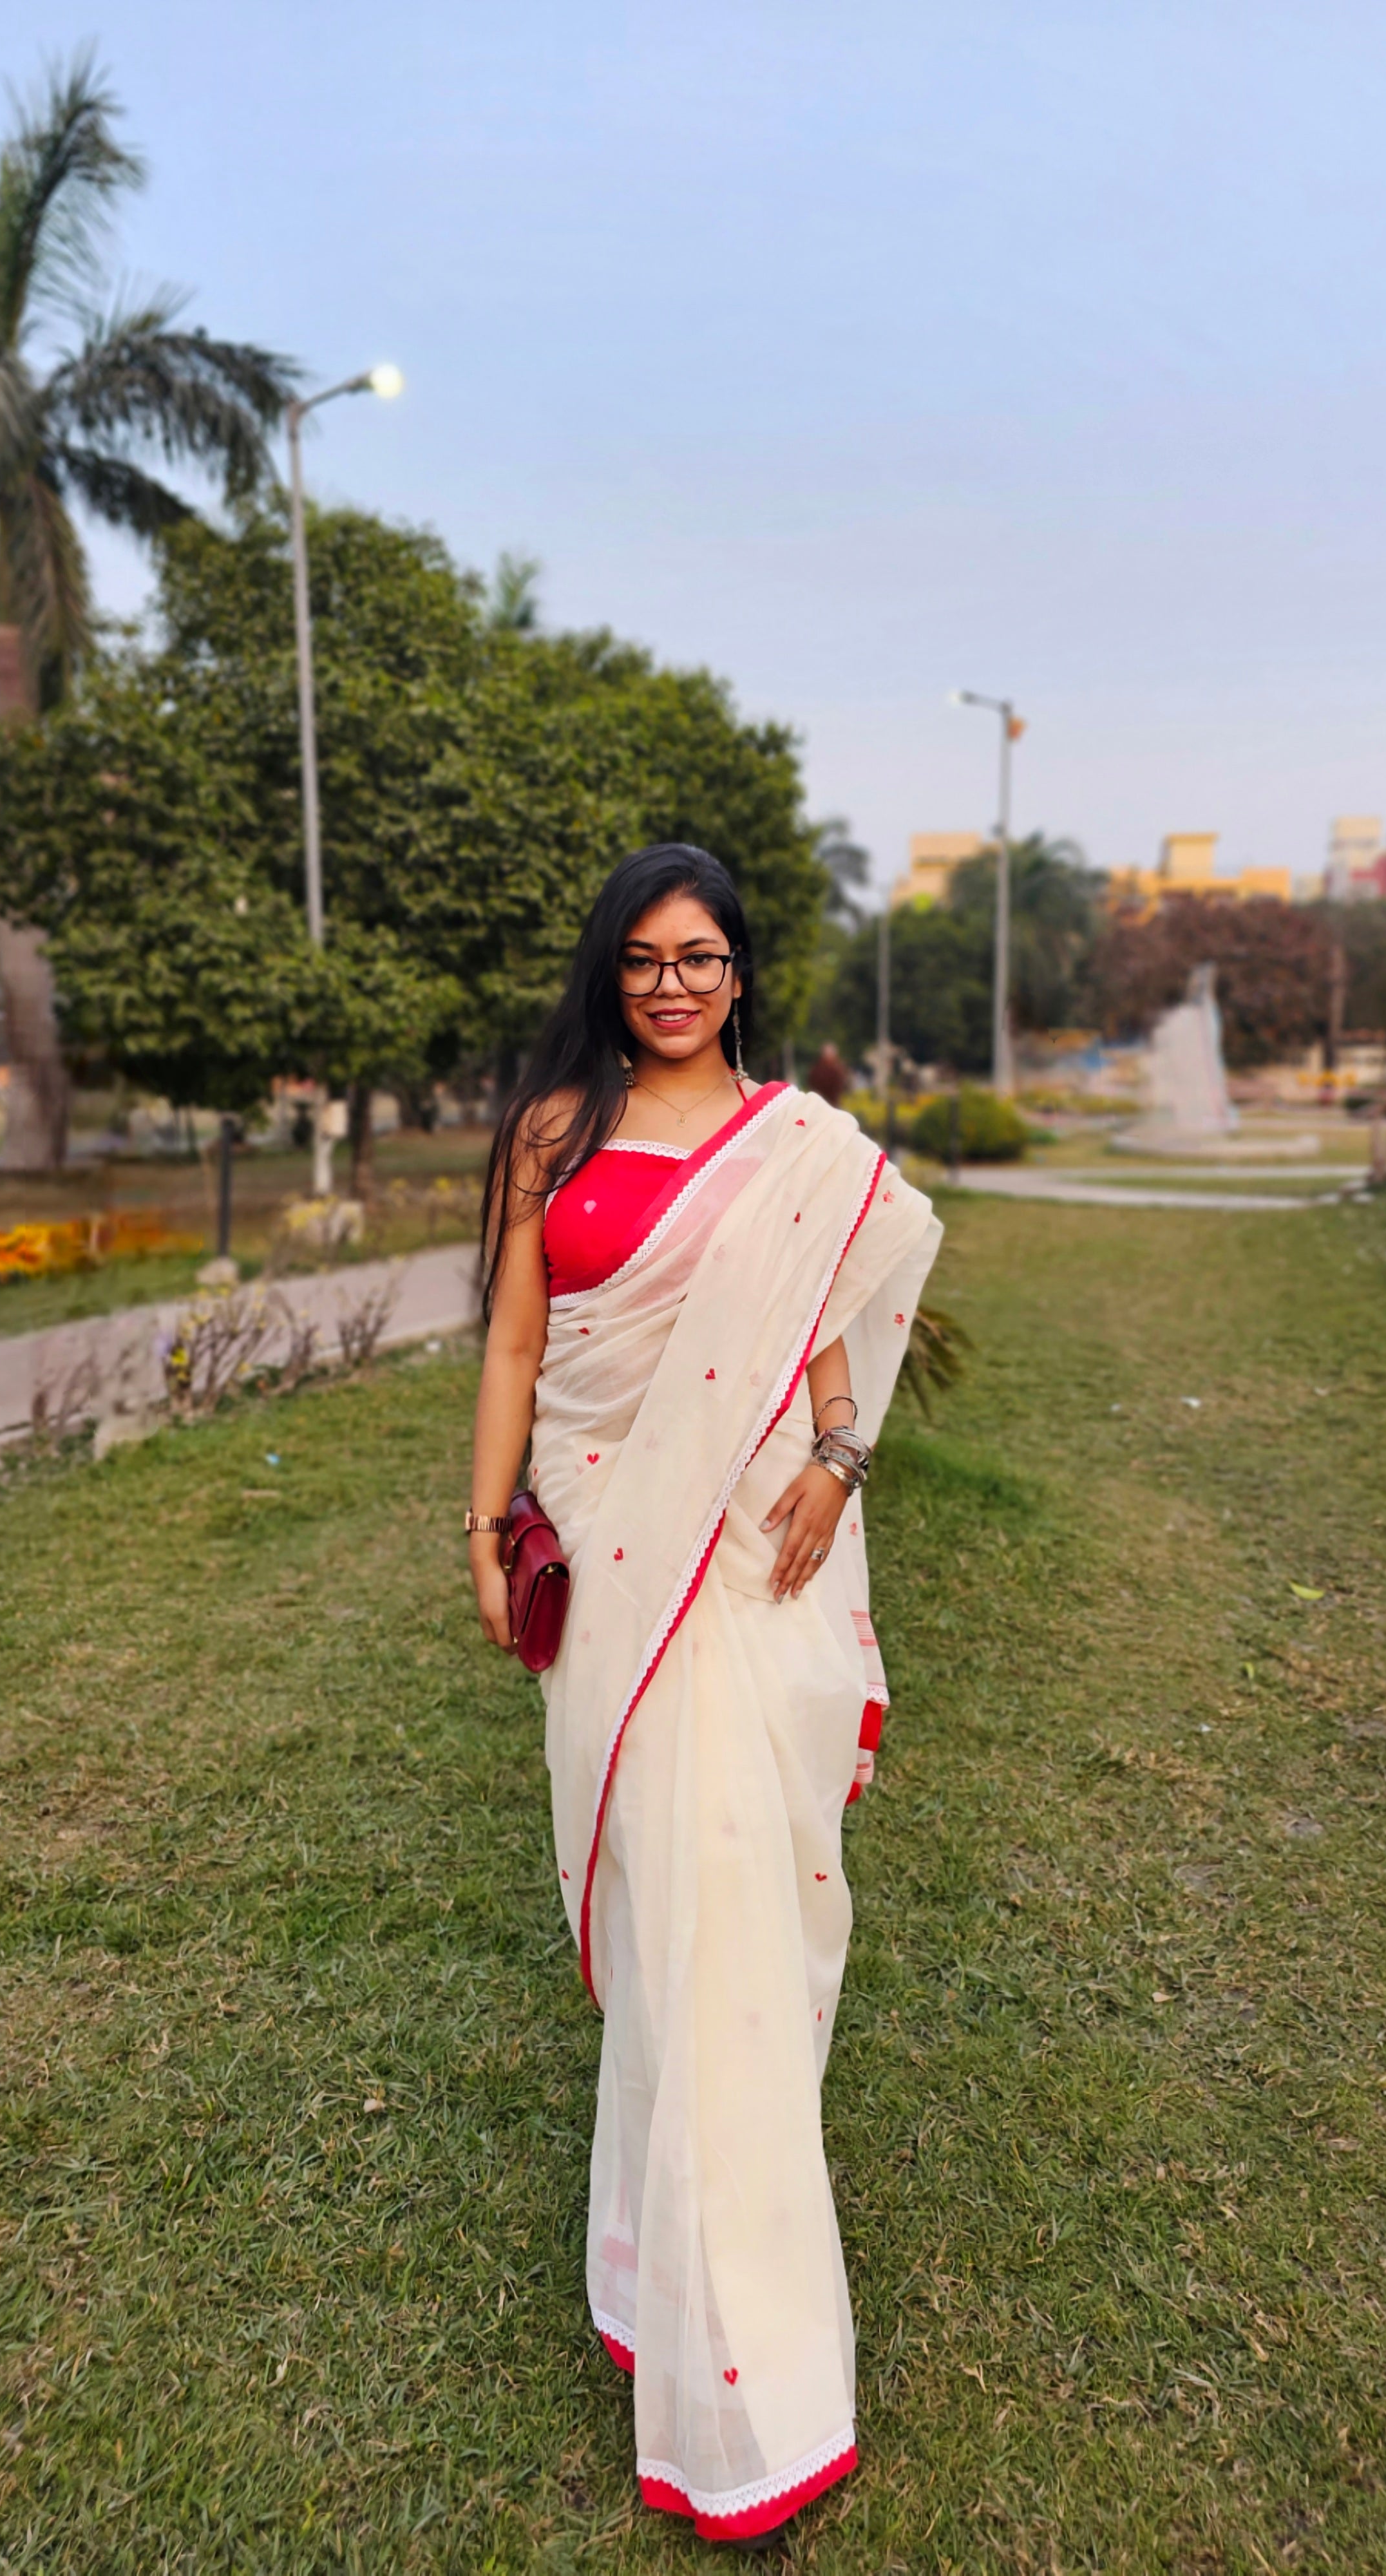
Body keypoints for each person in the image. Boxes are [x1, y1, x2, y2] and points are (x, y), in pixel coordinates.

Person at [468, 843, 940, 2547]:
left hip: (746, 1548)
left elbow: (822, 1325)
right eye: (644, 959)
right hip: (604, 1546)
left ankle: (749, 2367)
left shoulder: (794, 1146)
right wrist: (485, 1512)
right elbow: (517, 1347)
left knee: (736, 1905)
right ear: (612, 974)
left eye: (703, 957)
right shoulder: (551, 1136)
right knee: (670, 1920)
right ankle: (649, 2259)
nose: (672, 982)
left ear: (742, 974)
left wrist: (839, 1455)